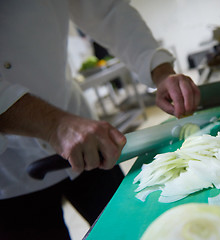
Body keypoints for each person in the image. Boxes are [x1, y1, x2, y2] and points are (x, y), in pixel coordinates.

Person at [0, 1, 200, 239]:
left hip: (89, 142)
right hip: (8, 176)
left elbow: (108, 11)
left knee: (136, 230)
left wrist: (160, 69)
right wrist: (54, 125)